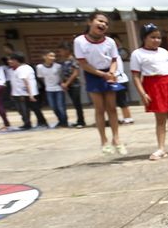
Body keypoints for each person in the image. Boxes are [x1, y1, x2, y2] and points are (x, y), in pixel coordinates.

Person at [130, 24, 168, 161]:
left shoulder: (163, 52)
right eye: (153, 37)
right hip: (153, 86)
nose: (156, 40)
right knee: (161, 119)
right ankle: (161, 148)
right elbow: (135, 76)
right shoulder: (137, 54)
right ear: (144, 38)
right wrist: (142, 93)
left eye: (158, 37)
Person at [74, 12, 126, 155]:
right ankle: (104, 141)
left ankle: (117, 139)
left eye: (106, 23)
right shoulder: (79, 41)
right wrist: (101, 74)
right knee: (100, 109)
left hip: (109, 73)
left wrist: (111, 72)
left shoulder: (110, 42)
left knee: (112, 108)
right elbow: (83, 63)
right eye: (100, 21)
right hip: (93, 74)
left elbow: (114, 59)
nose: (103, 24)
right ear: (90, 22)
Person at [8, 53, 45, 130]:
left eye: (11, 60)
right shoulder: (19, 69)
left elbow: (26, 82)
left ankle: (39, 122)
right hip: (21, 93)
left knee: (29, 109)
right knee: (25, 109)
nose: (9, 61)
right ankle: (28, 123)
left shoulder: (22, 69)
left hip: (26, 93)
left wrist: (30, 95)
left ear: (17, 60)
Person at [57, 42, 86, 127]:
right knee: (75, 103)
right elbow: (62, 73)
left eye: (61, 51)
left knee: (77, 104)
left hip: (75, 85)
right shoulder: (64, 61)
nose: (60, 53)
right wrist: (63, 83)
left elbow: (75, 73)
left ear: (67, 50)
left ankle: (81, 121)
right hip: (68, 85)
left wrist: (66, 83)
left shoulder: (73, 60)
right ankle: (78, 120)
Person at [37, 51, 68, 128]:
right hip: (49, 89)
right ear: (44, 57)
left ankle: (64, 122)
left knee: (61, 106)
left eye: (54, 56)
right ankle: (60, 120)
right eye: (50, 56)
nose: (53, 58)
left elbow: (61, 77)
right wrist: (47, 85)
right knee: (53, 107)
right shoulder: (39, 67)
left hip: (58, 89)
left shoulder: (58, 66)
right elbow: (41, 78)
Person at [113, 36, 134, 125]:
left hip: (119, 80)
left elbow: (117, 69)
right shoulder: (115, 55)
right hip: (120, 79)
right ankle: (126, 117)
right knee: (120, 101)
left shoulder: (115, 56)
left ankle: (128, 118)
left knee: (121, 101)